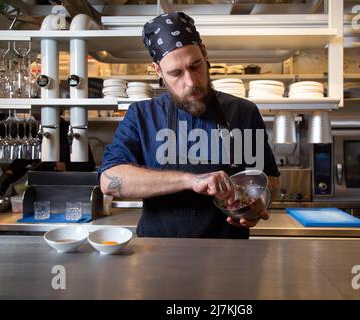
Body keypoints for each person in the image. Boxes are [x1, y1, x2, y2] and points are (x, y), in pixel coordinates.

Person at [99, 12, 280, 239]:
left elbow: (270, 179)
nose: (191, 82)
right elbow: (109, 181)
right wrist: (190, 180)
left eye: (195, 66)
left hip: (230, 255)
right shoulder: (142, 116)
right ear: (158, 71)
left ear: (204, 53)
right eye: (176, 73)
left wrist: (257, 205)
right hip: (157, 255)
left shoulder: (243, 112)